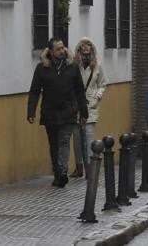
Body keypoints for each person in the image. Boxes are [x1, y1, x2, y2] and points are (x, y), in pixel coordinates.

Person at [27, 37, 89, 187]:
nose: (62, 51)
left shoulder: (72, 66)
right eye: (58, 49)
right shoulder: (42, 68)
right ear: (51, 52)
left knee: (64, 141)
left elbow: (80, 90)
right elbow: (34, 91)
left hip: (69, 111)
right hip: (50, 112)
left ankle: (62, 171)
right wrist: (31, 112)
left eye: (63, 48)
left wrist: (83, 112)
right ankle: (57, 173)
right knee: (53, 144)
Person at [71, 37, 106, 179]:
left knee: (89, 138)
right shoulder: (74, 66)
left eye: (88, 48)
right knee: (77, 139)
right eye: (83, 49)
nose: (85, 52)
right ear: (79, 50)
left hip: (91, 105)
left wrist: (97, 96)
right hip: (75, 106)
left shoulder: (98, 66)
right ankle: (79, 168)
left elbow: (102, 84)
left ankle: (90, 168)